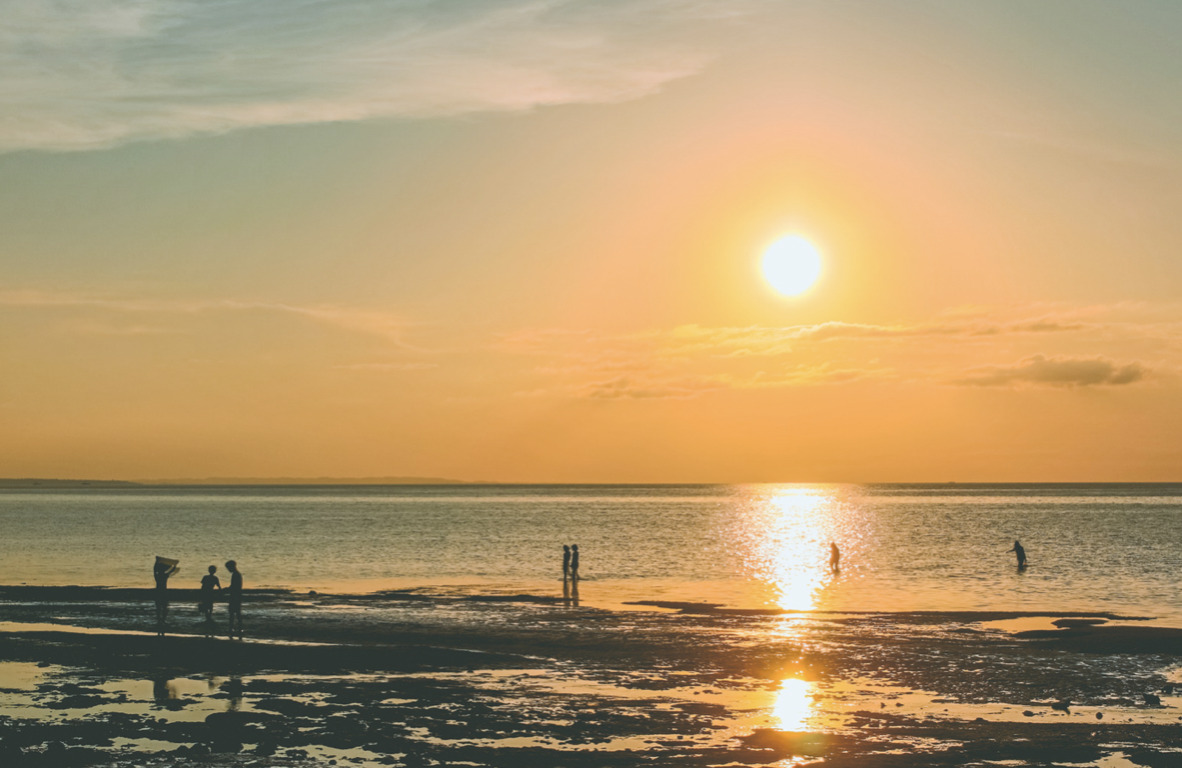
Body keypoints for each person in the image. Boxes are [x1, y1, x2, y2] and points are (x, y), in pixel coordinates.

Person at [153, 557, 179, 636]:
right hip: (164, 592)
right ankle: (163, 620)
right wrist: (174, 566)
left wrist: (156, 562)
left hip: (158, 592)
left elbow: (154, 570)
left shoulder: (157, 576)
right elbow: (171, 571)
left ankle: (159, 620)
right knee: (164, 607)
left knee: (158, 607)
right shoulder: (165, 575)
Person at [225, 560, 244, 638]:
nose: (228, 570)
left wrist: (226, 590)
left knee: (233, 613)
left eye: (228, 568)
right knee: (236, 612)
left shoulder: (235, 575)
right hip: (237, 595)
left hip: (235, 596)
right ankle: (238, 628)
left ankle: (233, 628)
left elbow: (233, 586)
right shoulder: (237, 574)